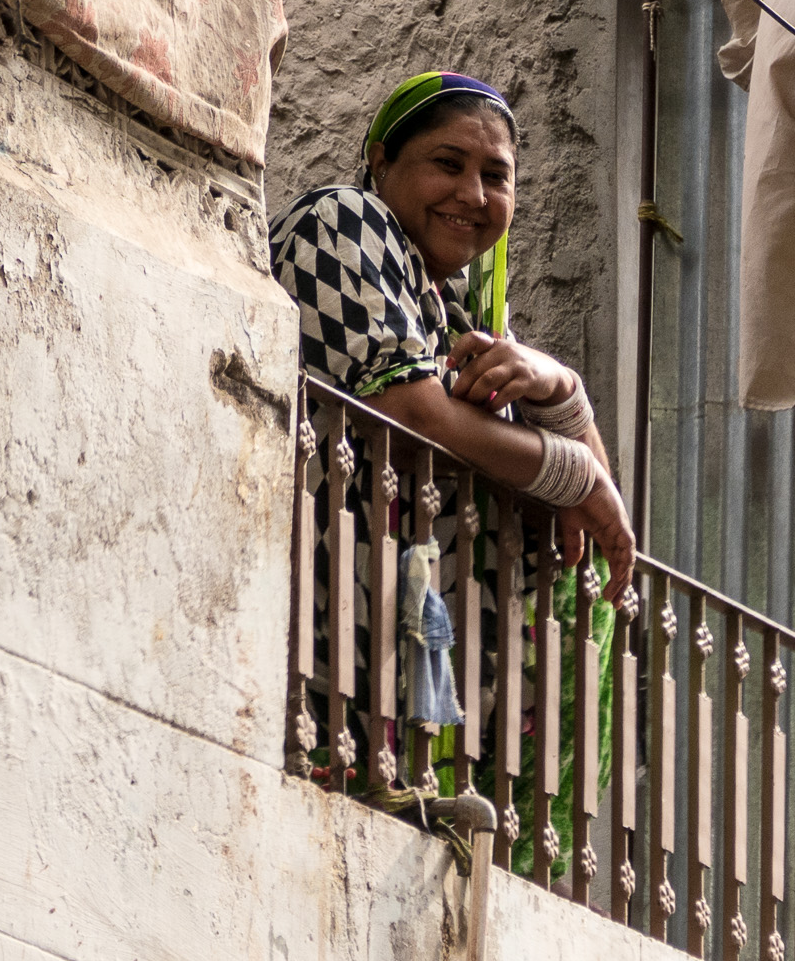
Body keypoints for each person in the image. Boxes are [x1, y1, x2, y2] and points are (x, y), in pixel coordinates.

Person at [271, 69, 634, 591]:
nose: (473, 195)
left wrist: (559, 386)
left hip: (447, 658)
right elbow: (412, 417)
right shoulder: (342, 221)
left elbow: (594, 527)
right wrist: (574, 469)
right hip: (325, 637)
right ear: (381, 163)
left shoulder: (469, 310)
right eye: (448, 164)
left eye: (496, 176)